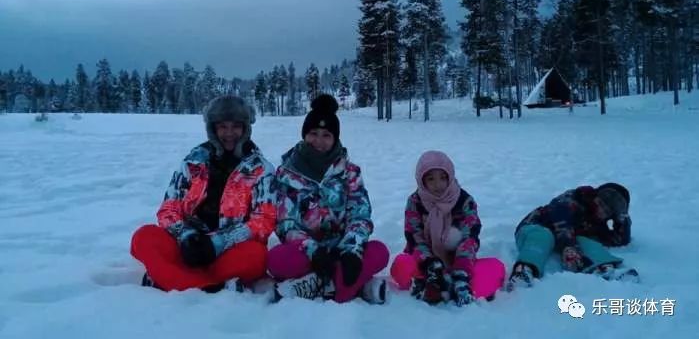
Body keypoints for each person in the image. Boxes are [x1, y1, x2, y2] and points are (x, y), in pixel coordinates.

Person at [130, 95, 276, 292]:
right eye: (223, 127)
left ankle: (172, 278)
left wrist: (217, 243)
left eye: (235, 126)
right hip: (186, 245)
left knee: (256, 256)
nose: (229, 133)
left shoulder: (261, 169)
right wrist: (186, 236)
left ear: (245, 128)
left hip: (229, 250)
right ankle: (208, 285)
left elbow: (264, 221)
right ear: (213, 128)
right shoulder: (193, 161)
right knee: (144, 237)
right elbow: (169, 208)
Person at [267, 94, 389, 304]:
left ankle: (316, 285)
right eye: (313, 133)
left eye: (326, 135)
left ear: (335, 139)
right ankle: (351, 287)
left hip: (343, 249)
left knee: (380, 252)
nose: (319, 141)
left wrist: (352, 250)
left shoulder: (350, 172)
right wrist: (314, 250)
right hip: (306, 252)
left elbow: (360, 215)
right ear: (304, 135)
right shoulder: (286, 173)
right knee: (275, 260)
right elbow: (285, 224)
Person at [390, 151, 505, 305]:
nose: (438, 185)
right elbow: (414, 238)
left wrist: (461, 268)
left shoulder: (464, 201)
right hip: (426, 264)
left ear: (450, 176)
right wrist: (430, 265)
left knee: (495, 268)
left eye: (443, 178)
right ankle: (432, 285)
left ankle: (455, 285)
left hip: (461, 262)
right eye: (431, 179)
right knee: (401, 264)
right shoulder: (415, 202)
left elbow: (470, 237)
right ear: (421, 181)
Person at [507, 182, 638, 290]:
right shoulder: (574, 199)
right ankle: (523, 271)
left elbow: (618, 240)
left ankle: (605, 269)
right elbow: (561, 222)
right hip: (535, 226)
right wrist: (569, 248)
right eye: (601, 203)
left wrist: (622, 221)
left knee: (587, 242)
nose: (601, 210)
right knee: (543, 236)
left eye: (608, 211)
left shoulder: (597, 223)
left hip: (566, 239)